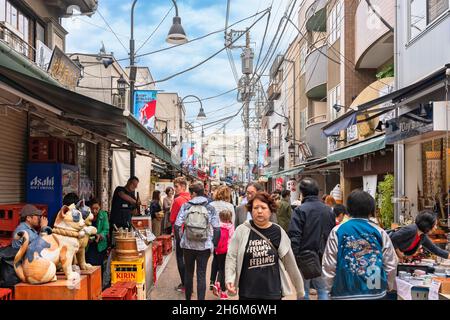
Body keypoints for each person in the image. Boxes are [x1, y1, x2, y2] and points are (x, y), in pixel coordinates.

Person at [225, 192, 304, 300]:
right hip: (247, 293)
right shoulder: (241, 230)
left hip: (272, 292)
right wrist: (229, 278)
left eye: (263, 207)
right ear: (251, 210)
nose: (259, 211)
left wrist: (300, 290)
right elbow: (231, 257)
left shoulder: (278, 232)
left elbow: (290, 263)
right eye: (256, 207)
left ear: (271, 210)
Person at [322, 190, 398, 300]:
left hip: (344, 293)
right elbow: (391, 264)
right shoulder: (380, 232)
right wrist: (386, 286)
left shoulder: (338, 231)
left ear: (348, 209)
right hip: (375, 292)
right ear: (371, 210)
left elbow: (329, 264)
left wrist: (327, 289)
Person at [288, 178, 335, 300]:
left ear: (302, 193)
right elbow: (331, 234)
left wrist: (295, 257)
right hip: (323, 257)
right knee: (323, 291)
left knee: (303, 292)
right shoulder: (328, 210)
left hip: (304, 258)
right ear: (317, 192)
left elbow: (295, 236)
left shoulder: (299, 210)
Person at [174, 182, 220, 300]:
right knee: (201, 274)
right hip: (204, 247)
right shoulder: (210, 207)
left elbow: (177, 226)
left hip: (188, 246)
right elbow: (217, 229)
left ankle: (188, 299)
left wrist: (181, 240)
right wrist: (213, 244)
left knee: (188, 273)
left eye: (191, 193)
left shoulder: (186, 206)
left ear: (193, 193)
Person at [209, 186, 236, 290]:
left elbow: (208, 221)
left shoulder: (211, 205)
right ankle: (220, 284)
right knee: (223, 262)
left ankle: (212, 281)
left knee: (215, 258)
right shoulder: (230, 206)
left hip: (213, 235)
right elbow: (232, 222)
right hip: (225, 239)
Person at [169, 176, 191, 293]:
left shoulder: (178, 200)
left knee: (180, 258)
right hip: (192, 234)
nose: (175, 189)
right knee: (189, 260)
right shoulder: (191, 198)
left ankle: (185, 284)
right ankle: (189, 283)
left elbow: (172, 218)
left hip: (180, 233)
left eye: (176, 186)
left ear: (183, 186)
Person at [212, 210, 235, 300]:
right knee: (224, 270)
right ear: (229, 218)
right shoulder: (230, 226)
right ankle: (223, 293)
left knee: (219, 268)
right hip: (227, 251)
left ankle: (217, 283)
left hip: (218, 250)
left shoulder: (217, 226)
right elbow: (232, 239)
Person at [85, 198, 110, 275]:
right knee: (89, 265)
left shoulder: (104, 215)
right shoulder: (86, 215)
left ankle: (99, 285)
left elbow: (106, 229)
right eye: (92, 209)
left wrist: (100, 235)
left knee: (99, 266)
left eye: (97, 209)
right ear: (89, 208)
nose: (94, 211)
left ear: (100, 207)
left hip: (100, 245)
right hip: (89, 245)